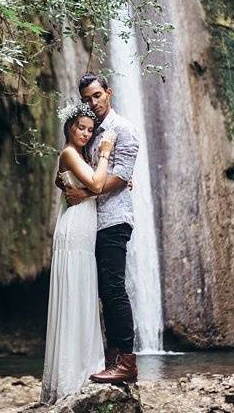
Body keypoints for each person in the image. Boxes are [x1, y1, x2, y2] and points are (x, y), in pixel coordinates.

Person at [61, 72, 140, 384]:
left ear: (109, 92)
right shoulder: (89, 131)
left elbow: (120, 176)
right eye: (86, 99)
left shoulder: (123, 129)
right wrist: (64, 180)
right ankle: (109, 358)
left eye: (96, 95)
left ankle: (126, 361)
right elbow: (75, 164)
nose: (92, 103)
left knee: (114, 289)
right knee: (102, 292)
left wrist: (87, 191)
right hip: (91, 221)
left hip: (114, 220)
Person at [40, 102, 116, 403]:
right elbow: (97, 182)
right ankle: (70, 378)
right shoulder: (70, 153)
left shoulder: (81, 157)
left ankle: (84, 369)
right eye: (80, 128)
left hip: (84, 231)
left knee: (83, 294)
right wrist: (107, 152)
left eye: (89, 129)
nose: (85, 133)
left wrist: (113, 180)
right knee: (74, 295)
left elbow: (95, 186)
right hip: (74, 231)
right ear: (69, 128)